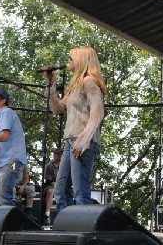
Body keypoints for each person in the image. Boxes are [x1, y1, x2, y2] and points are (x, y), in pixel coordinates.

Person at [42, 46, 106, 212]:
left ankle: (82, 225)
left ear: (82, 60)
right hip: (70, 141)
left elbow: (97, 114)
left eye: (71, 58)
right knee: (60, 189)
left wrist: (82, 141)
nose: (68, 61)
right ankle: (66, 223)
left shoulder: (89, 81)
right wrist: (50, 84)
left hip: (82, 141)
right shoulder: (75, 86)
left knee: (80, 189)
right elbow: (57, 109)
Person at [42, 148, 71, 224]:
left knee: (69, 192)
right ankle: (47, 214)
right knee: (51, 191)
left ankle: (68, 214)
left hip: (61, 186)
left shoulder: (64, 166)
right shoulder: (49, 166)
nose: (60, 156)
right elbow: (48, 181)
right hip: (50, 186)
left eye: (61, 154)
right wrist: (58, 186)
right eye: (58, 154)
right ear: (54, 155)